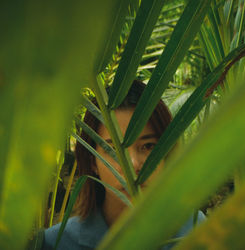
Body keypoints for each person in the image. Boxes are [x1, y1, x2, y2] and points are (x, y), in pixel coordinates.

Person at [42, 80, 205, 249]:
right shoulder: (56, 243)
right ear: (93, 162)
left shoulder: (197, 230)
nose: (133, 164)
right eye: (112, 149)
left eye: (148, 146)